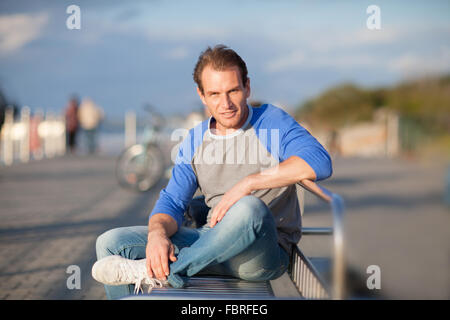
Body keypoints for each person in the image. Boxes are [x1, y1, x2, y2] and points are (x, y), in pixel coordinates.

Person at [92, 45, 333, 299]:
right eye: (215, 94)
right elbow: (172, 202)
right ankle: (154, 270)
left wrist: (249, 183)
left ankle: (158, 272)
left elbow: (320, 162)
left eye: (233, 91)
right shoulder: (196, 139)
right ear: (202, 95)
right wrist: (157, 235)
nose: (226, 103)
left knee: (248, 208)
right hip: (211, 243)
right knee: (110, 243)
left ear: (247, 87)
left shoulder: (271, 122)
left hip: (261, 253)